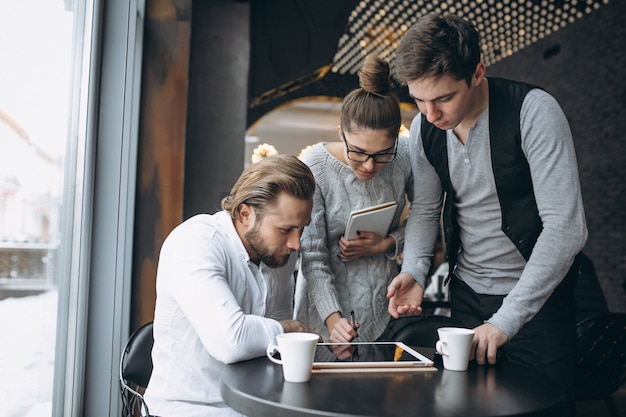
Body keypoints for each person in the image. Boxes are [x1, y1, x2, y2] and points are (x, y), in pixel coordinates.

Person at [387, 12, 587, 414]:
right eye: (419, 100)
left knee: (543, 407)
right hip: (468, 298)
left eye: (443, 98)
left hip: (537, 304)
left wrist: (506, 319)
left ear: (477, 73)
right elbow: (426, 210)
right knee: (470, 407)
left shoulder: (533, 112)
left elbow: (566, 229)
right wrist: (414, 271)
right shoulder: (425, 129)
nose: (430, 114)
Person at [144, 154, 316, 417]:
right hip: (187, 410)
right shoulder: (196, 241)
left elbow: (277, 336)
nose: (296, 243)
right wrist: (286, 329)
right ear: (245, 213)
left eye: (301, 230)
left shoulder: (279, 251)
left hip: (255, 405)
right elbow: (232, 341)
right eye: (285, 230)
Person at [294, 54, 413, 343]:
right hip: (320, 318)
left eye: (383, 154)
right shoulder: (316, 165)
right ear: (341, 134)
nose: (370, 165)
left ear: (397, 139)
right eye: (358, 152)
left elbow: (428, 218)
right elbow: (313, 258)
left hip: (383, 309)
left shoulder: (407, 157)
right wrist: (334, 321)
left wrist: (387, 243)